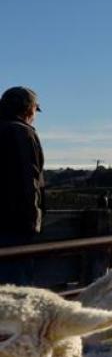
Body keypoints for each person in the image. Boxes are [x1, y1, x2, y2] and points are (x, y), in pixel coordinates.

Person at [0, 86, 44, 255]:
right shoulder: (22, 133)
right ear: (28, 110)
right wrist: (32, 221)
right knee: (14, 278)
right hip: (14, 225)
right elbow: (27, 179)